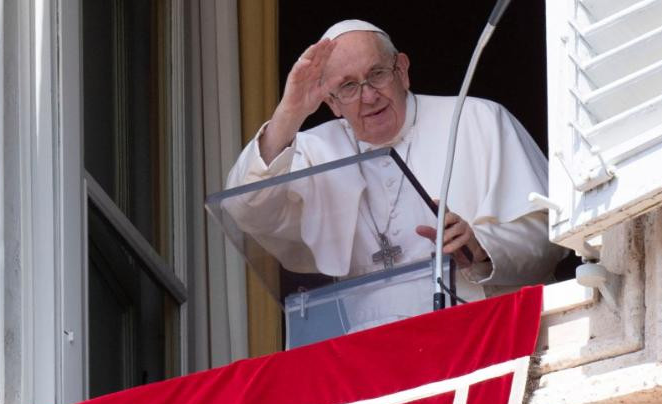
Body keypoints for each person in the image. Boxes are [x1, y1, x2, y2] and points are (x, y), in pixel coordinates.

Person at [225, 20, 565, 326]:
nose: (368, 96)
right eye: (348, 86)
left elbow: (550, 236)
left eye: (377, 74)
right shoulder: (311, 151)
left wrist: (479, 246)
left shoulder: (478, 120)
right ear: (331, 102)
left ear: (401, 70)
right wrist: (289, 112)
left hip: (480, 331)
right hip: (370, 353)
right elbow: (244, 207)